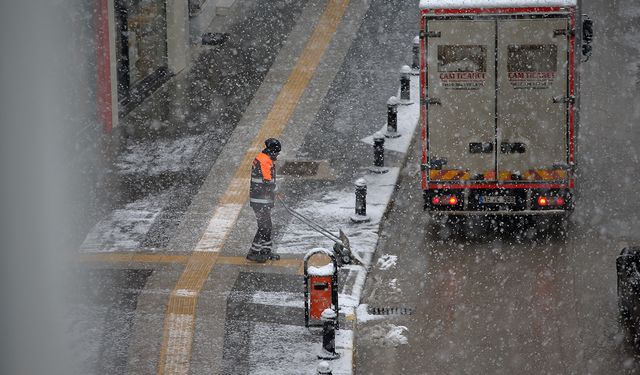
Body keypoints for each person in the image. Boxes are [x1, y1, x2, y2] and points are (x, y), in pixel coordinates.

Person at [246, 138, 282, 262]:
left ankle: (265, 250)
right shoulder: (264, 161)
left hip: (261, 199)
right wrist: (275, 189)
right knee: (264, 227)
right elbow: (267, 181)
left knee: (267, 226)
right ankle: (254, 252)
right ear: (271, 151)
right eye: (277, 152)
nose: (277, 155)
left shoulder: (263, 158)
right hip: (260, 200)